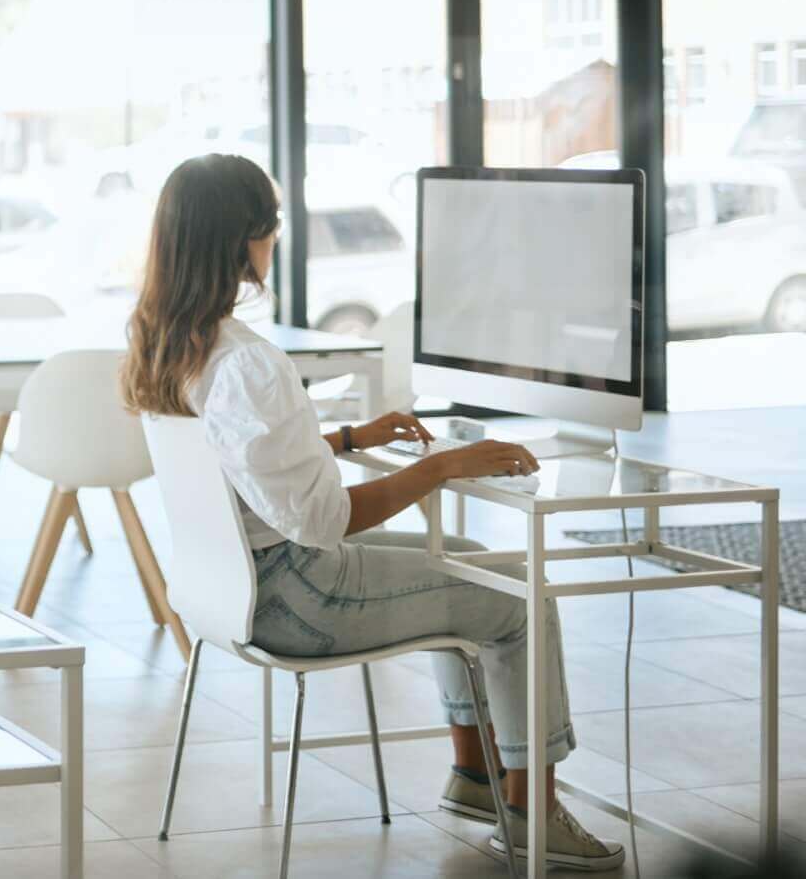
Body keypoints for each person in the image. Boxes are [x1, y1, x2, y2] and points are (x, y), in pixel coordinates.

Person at [119, 153, 624, 873]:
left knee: (472, 569)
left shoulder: (166, 340)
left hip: (231, 592)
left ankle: (478, 782)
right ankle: (533, 813)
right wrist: (442, 465)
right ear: (243, 240)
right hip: (298, 596)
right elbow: (323, 521)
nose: (276, 239)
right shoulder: (251, 363)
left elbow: (240, 461)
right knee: (523, 601)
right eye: (271, 225)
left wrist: (351, 437)